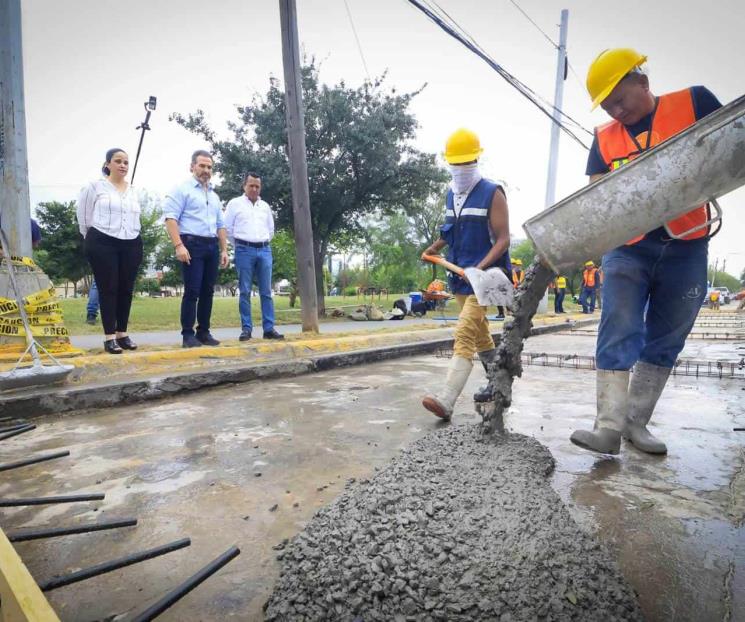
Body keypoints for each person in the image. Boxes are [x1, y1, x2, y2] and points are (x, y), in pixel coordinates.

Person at [570, 48, 723, 455]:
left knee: (669, 333)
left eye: (621, 99)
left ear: (643, 82)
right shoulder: (604, 137)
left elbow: (732, 146)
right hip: (628, 247)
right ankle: (607, 426)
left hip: (687, 243)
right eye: (608, 105)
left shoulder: (694, 103)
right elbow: (596, 193)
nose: (616, 111)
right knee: (618, 324)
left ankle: (635, 423)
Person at [421, 128, 511, 420]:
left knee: (464, 332)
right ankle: (499, 384)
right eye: (455, 163)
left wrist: (480, 268)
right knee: (481, 335)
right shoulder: (451, 195)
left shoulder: (492, 193)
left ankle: (447, 398)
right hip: (461, 278)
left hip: (487, 280)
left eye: (465, 162)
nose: (460, 169)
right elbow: (451, 232)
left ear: (476, 159)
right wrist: (432, 249)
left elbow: (503, 239)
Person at [76, 148, 143, 354]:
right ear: (107, 164)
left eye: (126, 162)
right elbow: (84, 218)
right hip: (103, 240)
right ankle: (109, 337)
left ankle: (122, 333)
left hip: (131, 241)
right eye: (118, 161)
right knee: (109, 287)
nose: (123, 165)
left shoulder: (133, 190)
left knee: (126, 288)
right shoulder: (95, 186)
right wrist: (91, 239)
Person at [163, 150, 229, 348]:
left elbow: (220, 225)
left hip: (211, 245)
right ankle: (187, 334)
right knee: (192, 291)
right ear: (192, 166)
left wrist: (224, 249)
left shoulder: (215, 196)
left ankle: (204, 332)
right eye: (202, 166)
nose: (206, 170)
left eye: (209, 167)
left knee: (208, 291)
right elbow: (170, 218)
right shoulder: (182, 190)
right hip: (191, 244)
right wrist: (179, 245)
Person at [224, 172, 284, 341]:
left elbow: (271, 230)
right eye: (251, 185)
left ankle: (269, 328)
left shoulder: (265, 206)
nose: (254, 189)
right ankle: (246, 329)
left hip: (264, 249)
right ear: (244, 186)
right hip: (244, 249)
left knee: (266, 291)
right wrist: (240, 245)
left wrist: (261, 243)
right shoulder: (234, 204)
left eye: (257, 186)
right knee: (245, 291)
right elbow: (227, 228)